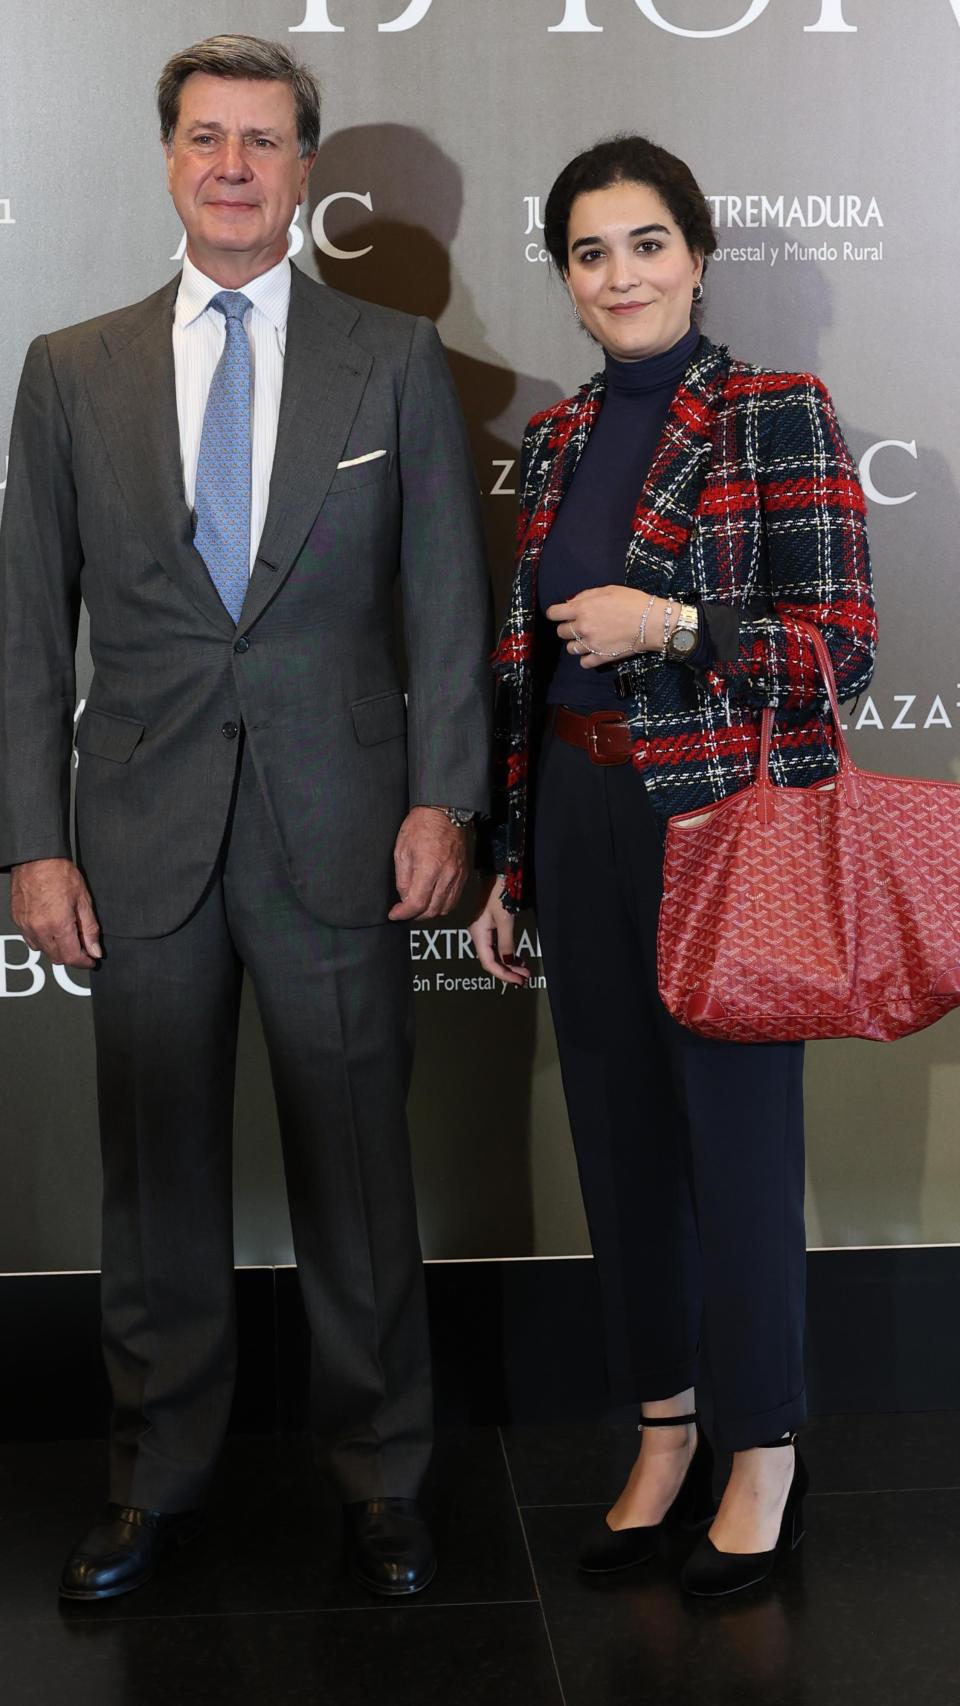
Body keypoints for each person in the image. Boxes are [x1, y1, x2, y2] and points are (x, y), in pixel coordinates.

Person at [0, 34, 491, 1601]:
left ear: (302, 168)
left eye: (263, 140)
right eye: (205, 137)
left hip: (342, 826)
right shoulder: (68, 369)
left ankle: (384, 1481)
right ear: (166, 159)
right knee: (152, 1183)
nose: (231, 164)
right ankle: (158, 1477)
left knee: (358, 1171)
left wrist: (445, 797)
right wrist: (30, 837)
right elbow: (25, 627)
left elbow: (446, 605)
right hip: (136, 836)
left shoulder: (392, 356)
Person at [470, 136, 876, 1597]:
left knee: (740, 1151)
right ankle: (665, 1430)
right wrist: (511, 856)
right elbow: (528, 675)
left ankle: (763, 1448)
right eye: (590, 252)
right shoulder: (564, 437)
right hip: (579, 830)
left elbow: (842, 649)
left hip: (717, 828)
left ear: (697, 257)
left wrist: (678, 625)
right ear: (569, 282)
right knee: (624, 1152)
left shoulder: (776, 412)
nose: (621, 272)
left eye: (646, 242)